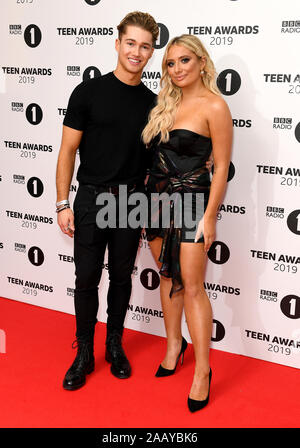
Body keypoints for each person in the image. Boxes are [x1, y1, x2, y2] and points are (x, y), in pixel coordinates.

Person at [56, 11, 159, 390]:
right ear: (117, 44)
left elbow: (159, 163)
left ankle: (114, 343)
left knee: (120, 278)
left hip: (131, 201)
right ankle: (84, 350)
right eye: (130, 43)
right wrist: (61, 203)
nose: (136, 51)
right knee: (86, 280)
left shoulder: (153, 103)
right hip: (91, 198)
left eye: (144, 46)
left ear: (151, 52)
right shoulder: (88, 92)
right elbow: (68, 151)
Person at [142, 34, 232, 411]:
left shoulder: (215, 106)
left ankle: (203, 371)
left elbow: (222, 167)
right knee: (167, 277)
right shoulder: (163, 104)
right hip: (156, 200)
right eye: (170, 63)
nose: (177, 69)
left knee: (193, 286)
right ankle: (173, 346)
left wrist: (210, 217)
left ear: (201, 63)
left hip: (194, 201)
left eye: (184, 61)